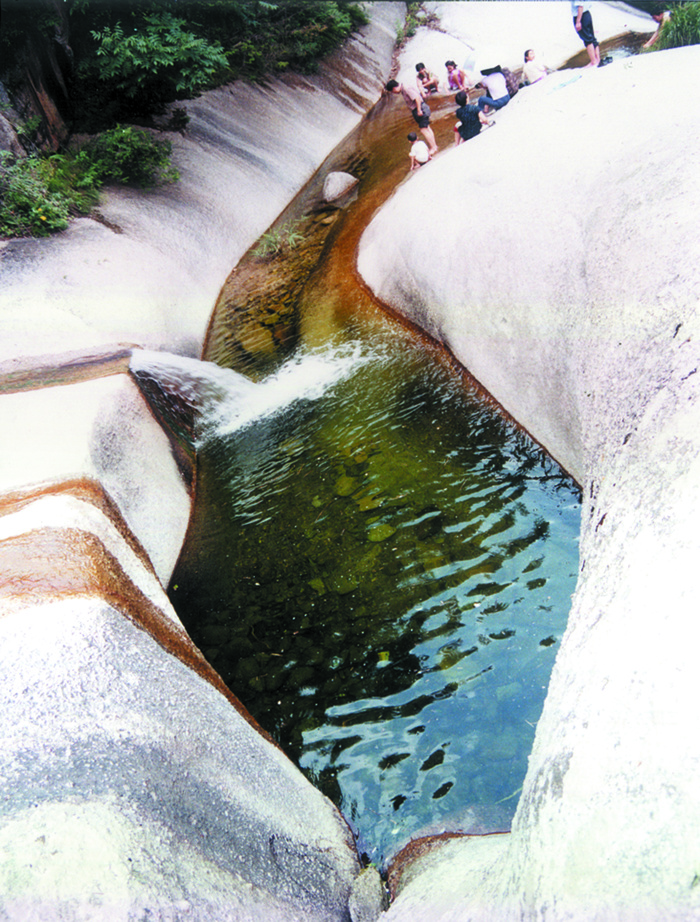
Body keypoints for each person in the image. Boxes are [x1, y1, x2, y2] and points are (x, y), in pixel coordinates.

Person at [385, 79, 438, 155]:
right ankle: (434, 146)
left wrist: (419, 110)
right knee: (427, 128)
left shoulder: (406, 88)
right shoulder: (404, 89)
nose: (394, 93)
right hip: (418, 109)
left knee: (423, 129)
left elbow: (417, 98)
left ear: (394, 88)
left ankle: (433, 147)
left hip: (420, 109)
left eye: (392, 92)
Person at [571, 1, 600, 68]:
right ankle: (597, 59)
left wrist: (578, 21)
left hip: (580, 15)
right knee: (592, 37)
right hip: (587, 14)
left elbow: (580, 6)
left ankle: (593, 61)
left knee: (587, 39)